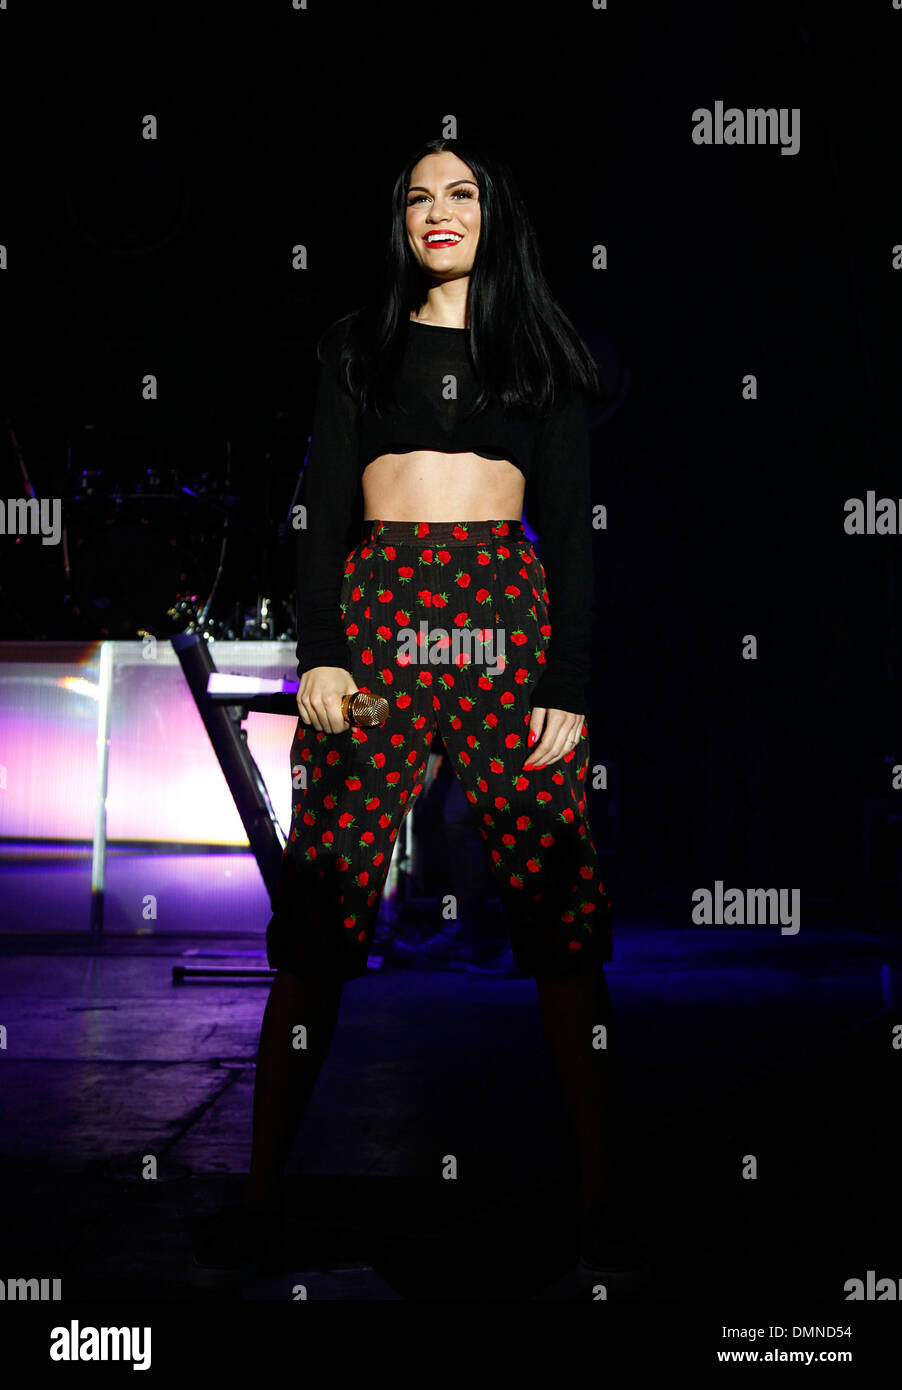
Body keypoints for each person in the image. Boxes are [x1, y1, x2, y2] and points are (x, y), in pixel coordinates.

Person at [190, 136, 648, 1292]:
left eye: (461, 194)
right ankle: (258, 1196)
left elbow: (577, 541)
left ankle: (603, 1201)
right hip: (382, 607)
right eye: (415, 198)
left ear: (499, 216)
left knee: (559, 919)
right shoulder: (359, 342)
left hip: (507, 616)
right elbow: (319, 510)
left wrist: (570, 684)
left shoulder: (542, 352)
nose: (435, 213)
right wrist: (324, 650)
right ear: (397, 222)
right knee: (321, 917)